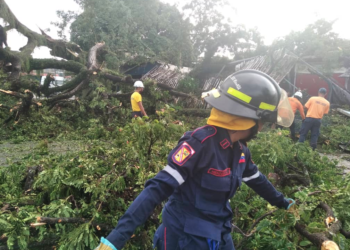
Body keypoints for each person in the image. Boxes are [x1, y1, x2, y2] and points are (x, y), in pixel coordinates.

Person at [94, 70, 296, 250]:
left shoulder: (240, 150)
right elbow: (157, 188)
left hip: (220, 231)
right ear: (250, 120)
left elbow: (257, 180)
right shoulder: (199, 144)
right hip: (185, 237)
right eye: (263, 121)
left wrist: (284, 203)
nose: (262, 127)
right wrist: (115, 239)